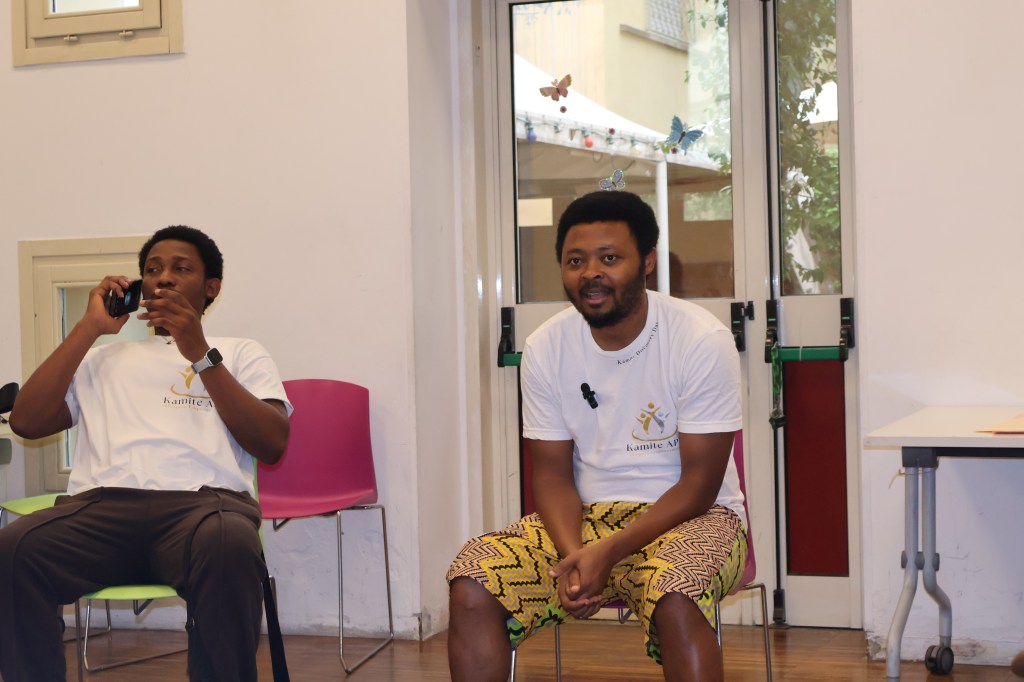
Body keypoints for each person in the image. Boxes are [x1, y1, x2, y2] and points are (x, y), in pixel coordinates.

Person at [447, 191, 747, 682]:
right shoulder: (545, 346)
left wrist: (607, 552)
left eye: (609, 258)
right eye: (576, 261)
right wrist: (575, 557)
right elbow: (551, 475)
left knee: (676, 590)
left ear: (647, 262)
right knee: (473, 576)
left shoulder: (699, 340)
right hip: (584, 522)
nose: (591, 273)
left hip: (697, 518)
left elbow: (699, 485)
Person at [0, 225, 291, 682]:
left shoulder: (240, 353)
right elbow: (26, 421)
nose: (164, 278)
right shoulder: (102, 358)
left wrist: (200, 353)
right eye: (153, 269)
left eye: (181, 268)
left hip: (203, 510)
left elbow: (272, 443)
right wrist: (89, 328)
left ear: (211, 288)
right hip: (101, 510)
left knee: (230, 546)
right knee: (13, 549)